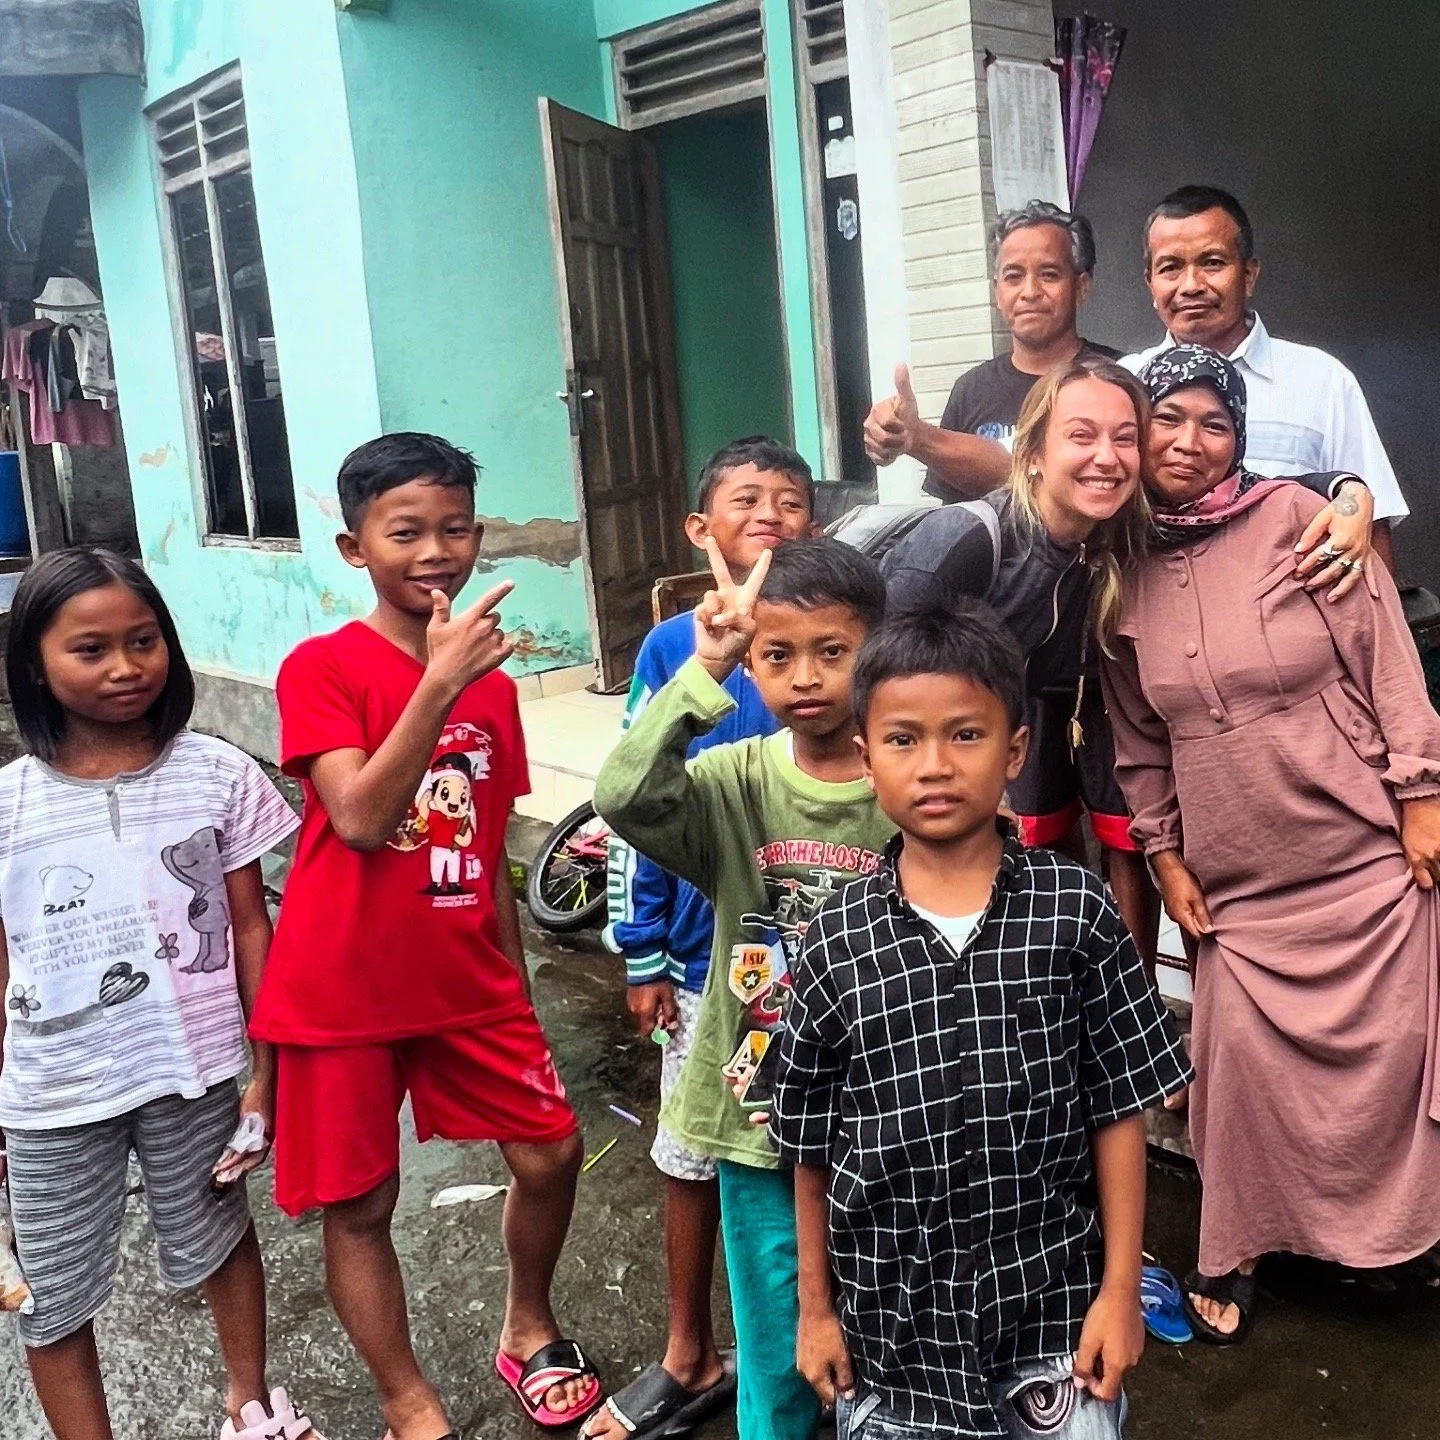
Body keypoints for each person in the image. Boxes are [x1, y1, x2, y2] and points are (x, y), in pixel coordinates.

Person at [770, 600, 1191, 1440]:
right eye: (902, 739)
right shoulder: (834, 940)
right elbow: (810, 1146)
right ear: (866, 758)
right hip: (890, 1336)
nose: (934, 765)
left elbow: (1117, 1110)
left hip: (1053, 1323)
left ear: (1015, 751)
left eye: (965, 735)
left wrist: (1117, 1293)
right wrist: (816, 1310)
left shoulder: (1076, 911)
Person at [250, 434, 598, 1439]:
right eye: (405, 532)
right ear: (355, 547)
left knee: (552, 1152)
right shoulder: (321, 667)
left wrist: (518, 982)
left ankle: (528, 1324)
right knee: (360, 1204)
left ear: (479, 536)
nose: (435, 551)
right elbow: (358, 816)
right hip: (340, 985)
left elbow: (484, 847)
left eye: (454, 530)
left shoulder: (491, 685)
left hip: (466, 977)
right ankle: (410, 1402)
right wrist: (437, 683)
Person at [1101, 345, 1440, 1345]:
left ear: (1239, 438)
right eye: (1168, 419)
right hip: (1239, 881)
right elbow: (1138, 740)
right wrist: (1164, 856)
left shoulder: (1299, 518)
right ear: (1137, 430)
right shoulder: (1118, 571)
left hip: (1363, 850)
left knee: (1403, 1047)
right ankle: (1239, 1241)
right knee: (1236, 1066)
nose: (1190, 442)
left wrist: (1423, 792)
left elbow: (1386, 654)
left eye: (1215, 423)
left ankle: (1398, 1236)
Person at [876, 356, 1377, 981]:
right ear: (1030, 453)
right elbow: (878, 681)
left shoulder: (1118, 533)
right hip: (921, 765)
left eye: (1124, 438)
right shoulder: (969, 538)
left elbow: (1255, 487)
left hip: (1036, 722)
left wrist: (1349, 493)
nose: (1106, 458)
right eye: (1081, 436)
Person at [0, 549, 318, 1440]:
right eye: (90, 649)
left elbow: (253, 927)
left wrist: (266, 1070)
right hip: (52, 1091)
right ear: (35, 662)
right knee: (50, 1291)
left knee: (220, 1235)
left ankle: (249, 1406)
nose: (126, 666)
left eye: (143, 641)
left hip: (200, 1065)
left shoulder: (217, 773)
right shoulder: (8, 804)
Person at [594, 538, 894, 1440]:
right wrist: (707, 666)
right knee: (777, 1353)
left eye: (833, 652)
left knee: (882, 1338)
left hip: (883, 1118)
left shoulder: (907, 786)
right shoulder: (734, 782)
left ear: (878, 649)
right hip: (756, 1117)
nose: (805, 677)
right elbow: (622, 795)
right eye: (777, 656)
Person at [593, 437, 816, 1440]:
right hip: (700, 957)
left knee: (804, 1159)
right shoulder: (669, 648)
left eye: (791, 499)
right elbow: (633, 798)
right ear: (702, 527)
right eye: (746, 499)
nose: (770, 512)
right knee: (693, 1153)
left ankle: (819, 1344)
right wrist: (639, 948)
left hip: (815, 951)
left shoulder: (832, 636)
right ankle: (688, 1349)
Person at [1123, 185, 1407, 572]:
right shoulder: (1125, 384)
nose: (1190, 285)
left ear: (1249, 275)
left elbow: (1369, 529)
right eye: (1170, 267)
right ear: (1150, 284)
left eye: (1212, 262)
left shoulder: (1320, 381)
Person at [863, 201, 1118, 500]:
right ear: (997, 292)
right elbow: (955, 512)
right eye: (1013, 276)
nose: (1030, 292)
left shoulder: (1118, 378)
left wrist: (922, 438)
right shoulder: (971, 390)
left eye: (1049, 274)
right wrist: (902, 434)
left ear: (1081, 287)